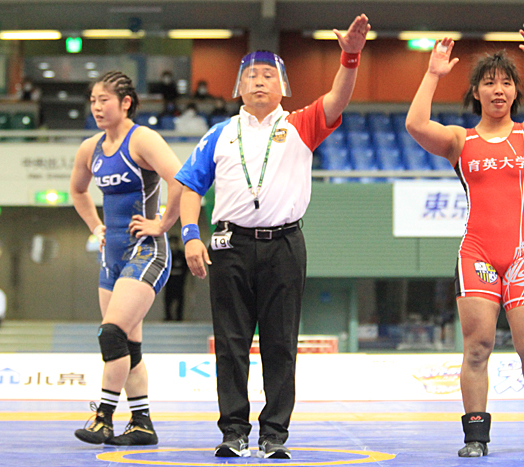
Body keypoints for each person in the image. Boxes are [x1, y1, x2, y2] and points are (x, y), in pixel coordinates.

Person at [175, 14, 371, 460]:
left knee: (281, 343)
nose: (259, 81)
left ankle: (274, 434)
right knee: (230, 342)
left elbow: (338, 98)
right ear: (238, 87)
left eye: (267, 75)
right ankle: (232, 432)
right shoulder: (220, 134)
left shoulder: (301, 124)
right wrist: (190, 236)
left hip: (284, 245)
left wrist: (351, 56)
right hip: (230, 246)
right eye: (250, 75)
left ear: (282, 86)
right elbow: (189, 186)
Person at [406, 22, 524, 457]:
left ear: (515, 93)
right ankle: (475, 439)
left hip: (523, 255)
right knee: (477, 348)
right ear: (476, 93)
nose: (499, 90)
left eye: (507, 82)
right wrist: (432, 74)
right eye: (489, 83)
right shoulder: (458, 141)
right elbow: (415, 124)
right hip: (478, 255)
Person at [70, 70, 182, 446]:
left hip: (146, 252)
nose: (97, 107)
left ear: (126, 103)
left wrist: (163, 222)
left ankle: (102, 417)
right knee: (128, 345)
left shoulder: (143, 140)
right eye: (93, 101)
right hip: (112, 257)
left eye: (104, 100)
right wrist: (95, 227)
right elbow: (78, 190)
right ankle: (141, 423)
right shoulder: (90, 148)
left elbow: (181, 179)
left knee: (112, 333)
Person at [164, 235, 188, 321]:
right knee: (168, 299)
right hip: (169, 281)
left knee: (179, 299)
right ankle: (168, 316)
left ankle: (179, 317)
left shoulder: (181, 255)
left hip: (179, 281)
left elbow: (186, 268)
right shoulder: (167, 255)